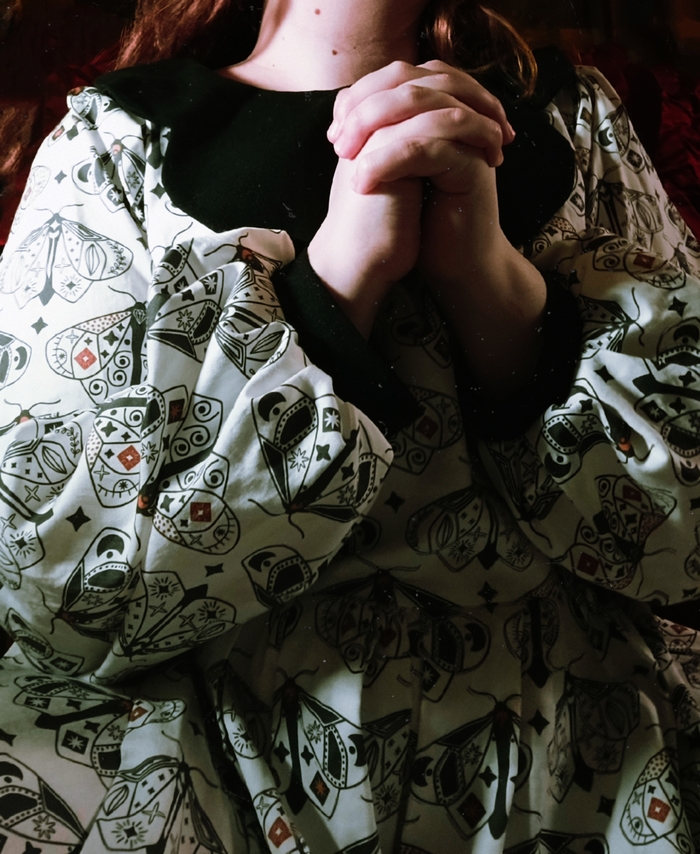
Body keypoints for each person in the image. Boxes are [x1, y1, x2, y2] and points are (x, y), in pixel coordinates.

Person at [0, 0, 699, 851]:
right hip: (216, 772)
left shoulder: (570, 116)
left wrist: (490, 281)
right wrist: (335, 289)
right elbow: (54, 586)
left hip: (586, 767)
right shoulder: (119, 138)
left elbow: (685, 533)